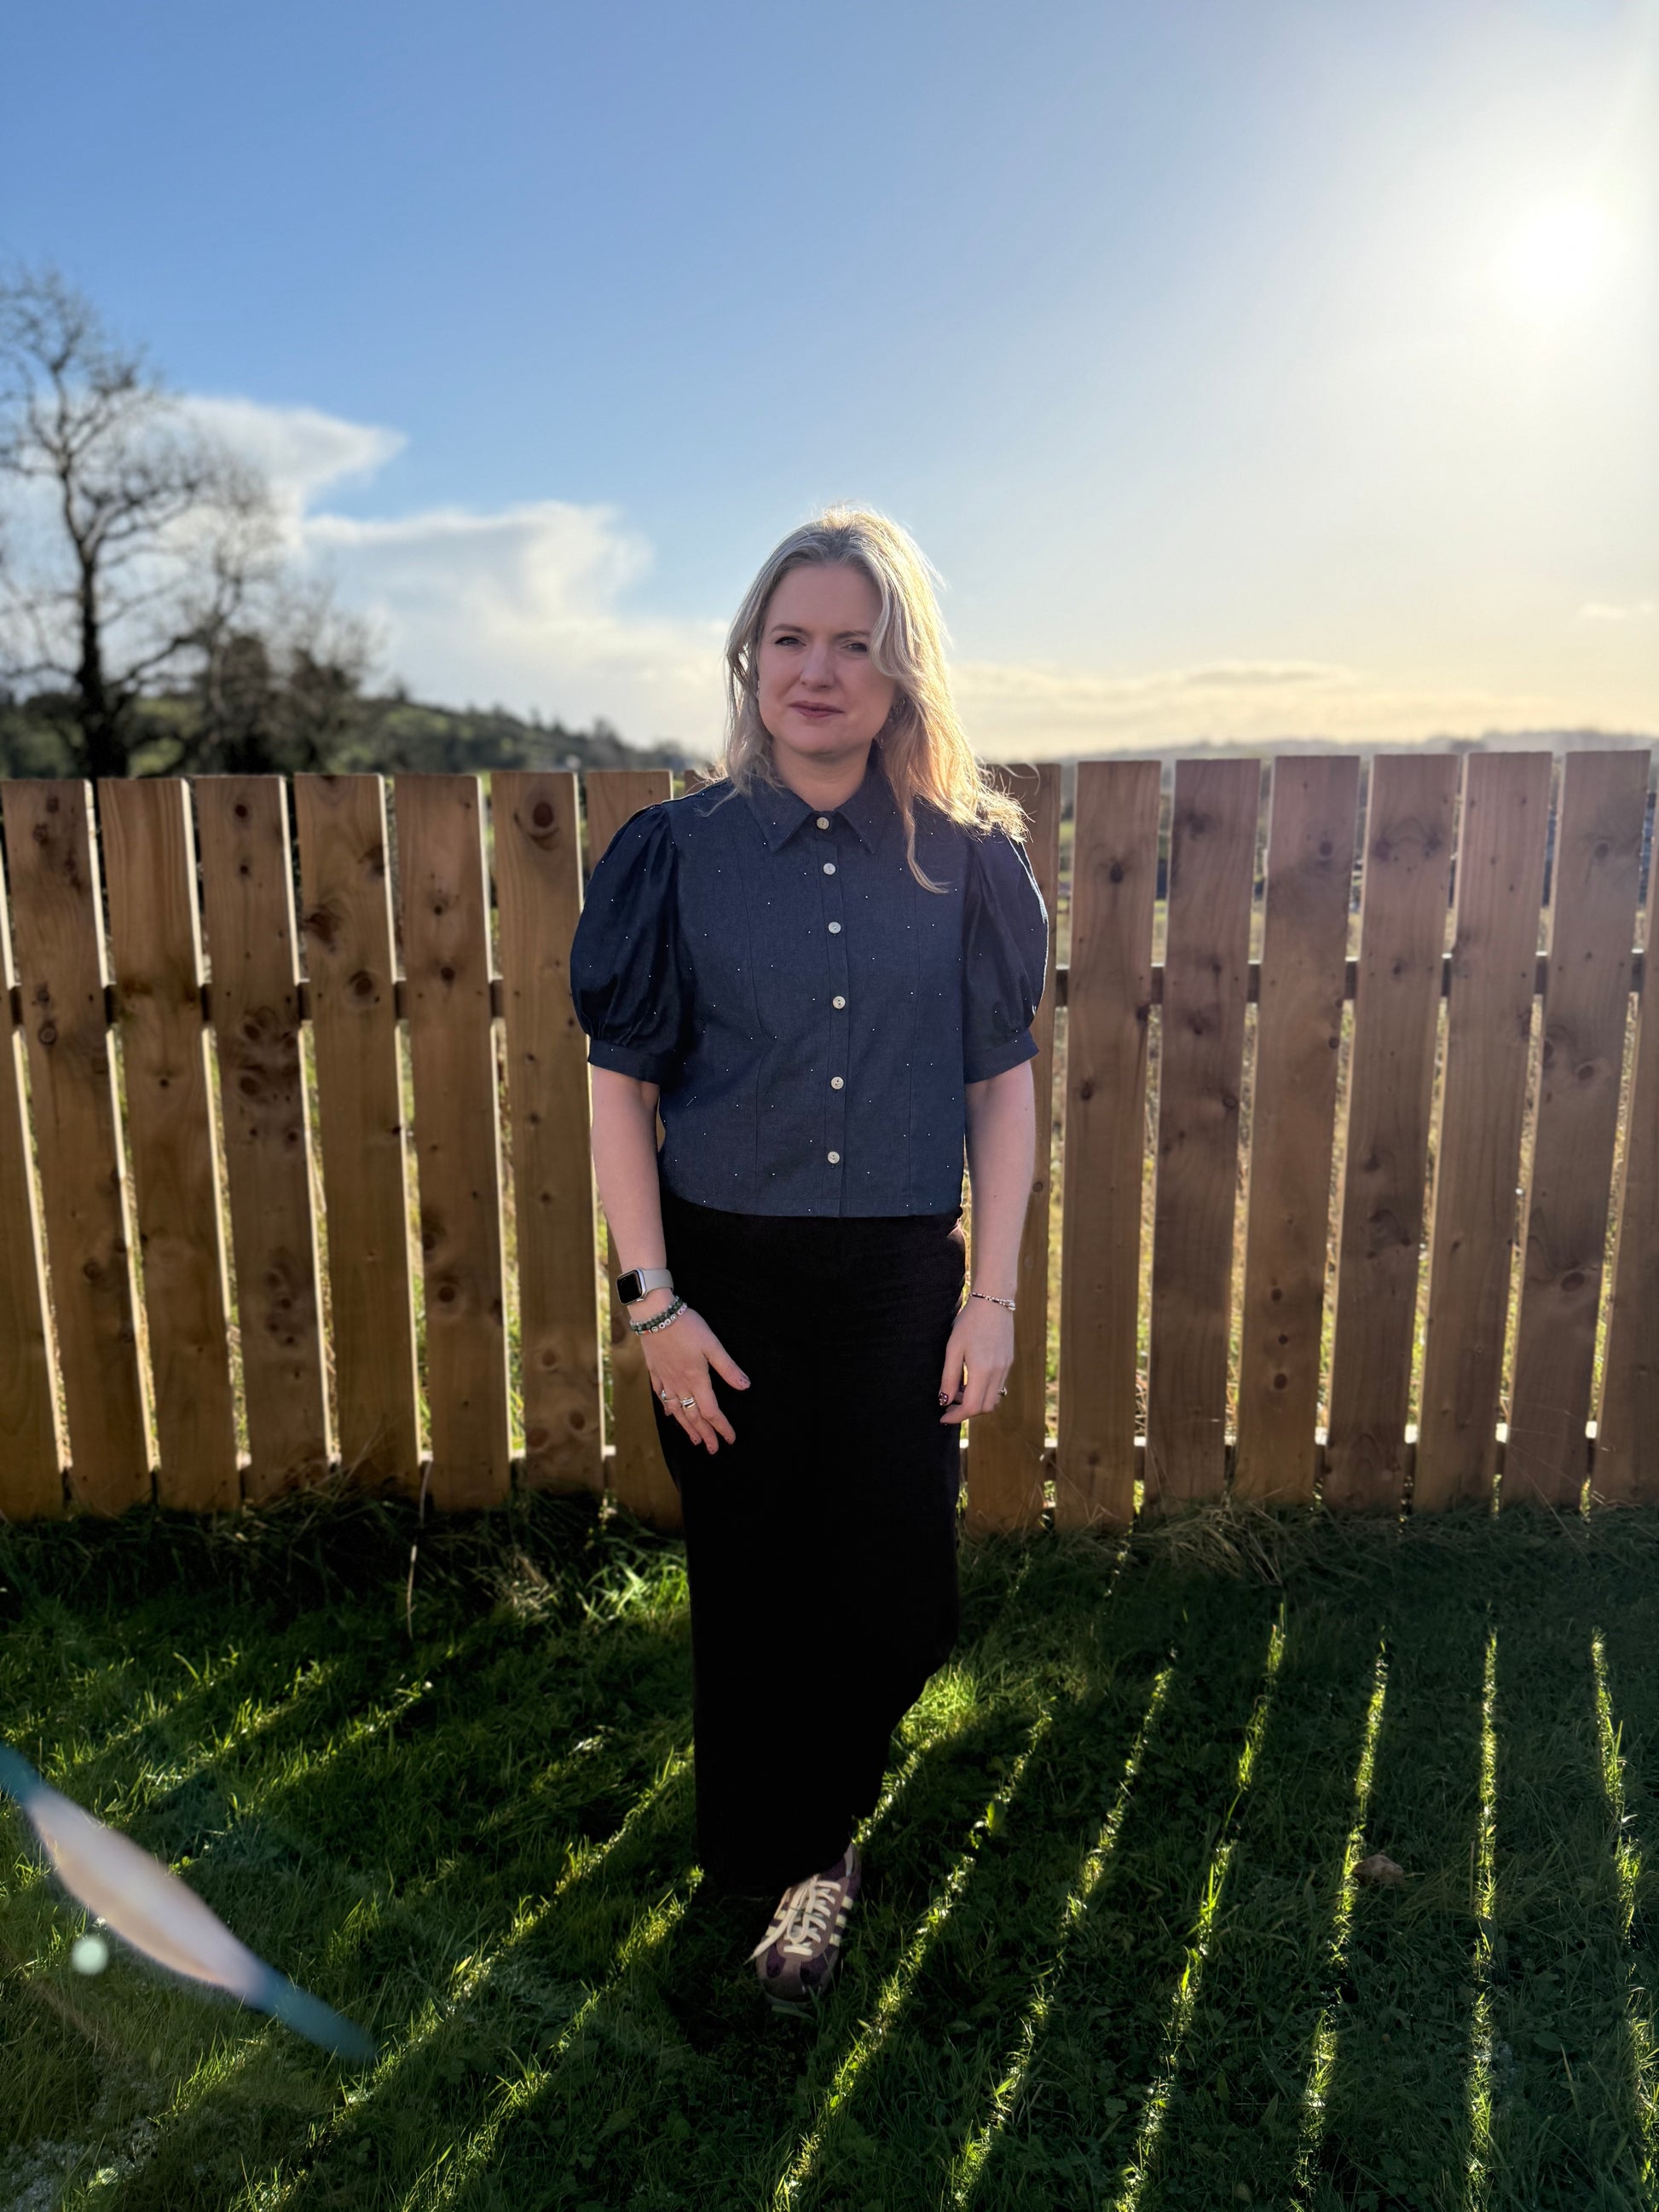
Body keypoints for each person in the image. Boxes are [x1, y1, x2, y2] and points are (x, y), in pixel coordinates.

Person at [569, 506, 1047, 2008]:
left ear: (899, 673)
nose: (818, 671)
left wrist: (992, 1297)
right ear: (748, 661)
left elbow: (1002, 1088)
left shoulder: (963, 866)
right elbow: (618, 1086)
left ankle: (800, 1836)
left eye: (853, 643)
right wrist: (654, 1303)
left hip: (904, 1279)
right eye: (791, 641)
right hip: (726, 1280)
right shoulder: (676, 855)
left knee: (899, 1595)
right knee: (756, 1584)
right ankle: (805, 1865)